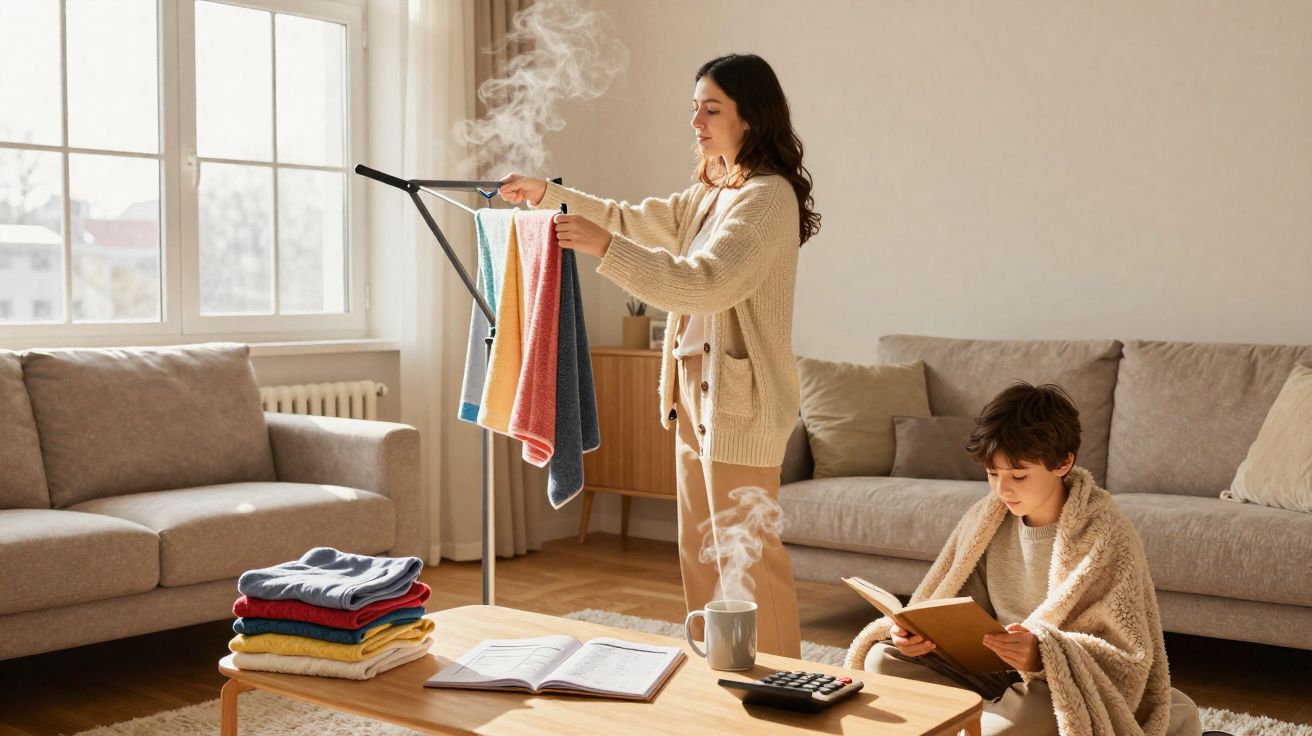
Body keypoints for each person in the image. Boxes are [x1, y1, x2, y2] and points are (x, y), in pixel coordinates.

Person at [498, 53, 819, 657]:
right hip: (693, 397)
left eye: (711, 108)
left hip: (741, 405)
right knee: (702, 554)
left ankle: (779, 689)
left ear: (750, 116)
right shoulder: (713, 193)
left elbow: (705, 282)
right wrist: (548, 194)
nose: (695, 121)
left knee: (748, 562)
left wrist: (605, 249)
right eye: (693, 107)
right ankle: (720, 674)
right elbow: (628, 217)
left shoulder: (767, 199)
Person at [845, 382, 1203, 735]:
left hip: (1052, 683)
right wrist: (916, 635)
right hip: (992, 673)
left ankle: (966, 722)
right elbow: (953, 607)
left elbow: (1125, 657)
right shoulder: (985, 520)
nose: (1003, 489)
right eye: (992, 474)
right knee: (882, 660)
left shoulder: (1105, 535)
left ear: (1063, 463)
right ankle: (982, 722)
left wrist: (1042, 654)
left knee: (1053, 709)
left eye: (1018, 475)